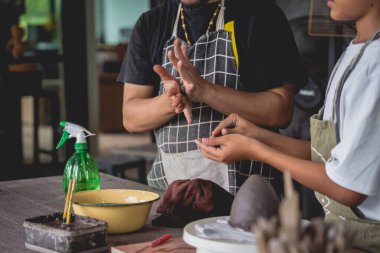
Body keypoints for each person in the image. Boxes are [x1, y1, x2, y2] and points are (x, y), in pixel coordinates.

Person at [196, 0, 380, 251]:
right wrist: (257, 135)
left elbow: (347, 188)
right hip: (342, 231)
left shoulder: (376, 65)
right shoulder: (356, 50)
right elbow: (330, 156)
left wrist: (255, 150)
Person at [117, 0, 306, 196]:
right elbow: (131, 118)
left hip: (249, 201)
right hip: (170, 197)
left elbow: (281, 110)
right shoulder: (151, 24)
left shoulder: (261, 15)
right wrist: (171, 99)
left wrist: (205, 91)